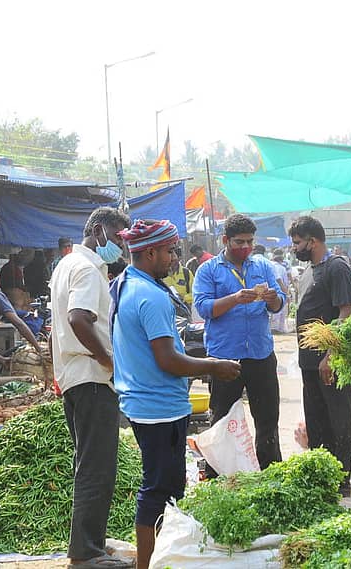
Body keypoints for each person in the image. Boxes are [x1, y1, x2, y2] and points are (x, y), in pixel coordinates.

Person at [111, 219, 240, 569]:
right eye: (169, 251)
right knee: (158, 489)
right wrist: (213, 366)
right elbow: (167, 359)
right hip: (158, 407)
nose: (174, 258)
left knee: (165, 485)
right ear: (150, 252)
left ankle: (160, 557)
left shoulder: (126, 284)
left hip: (146, 401)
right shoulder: (150, 296)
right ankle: (148, 563)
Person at [48, 206, 131, 569]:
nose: (119, 247)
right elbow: (78, 319)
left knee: (90, 463)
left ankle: (89, 543)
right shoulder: (86, 269)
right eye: (116, 238)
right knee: (97, 466)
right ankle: (86, 553)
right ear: (97, 232)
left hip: (76, 376)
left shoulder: (67, 265)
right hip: (91, 377)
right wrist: (109, 360)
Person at [193, 214, 285, 475]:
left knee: (267, 419)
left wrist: (271, 299)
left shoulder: (262, 266)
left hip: (260, 353)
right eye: (239, 242)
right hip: (225, 357)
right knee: (222, 419)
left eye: (249, 242)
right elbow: (203, 308)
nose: (245, 247)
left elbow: (280, 303)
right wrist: (234, 299)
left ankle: (269, 473)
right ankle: (218, 474)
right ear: (225, 240)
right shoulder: (208, 270)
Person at [289, 216, 351, 494]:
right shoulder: (308, 270)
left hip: (330, 362)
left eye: (297, 243)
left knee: (339, 420)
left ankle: (341, 479)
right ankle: (323, 477)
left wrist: (330, 355)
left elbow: (346, 311)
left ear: (313, 241)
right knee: (317, 420)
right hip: (309, 362)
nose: (294, 248)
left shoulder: (336, 268)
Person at [269, 248, 291, 333]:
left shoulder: (268, 264)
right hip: (279, 291)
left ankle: (274, 327)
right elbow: (282, 282)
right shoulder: (282, 268)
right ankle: (278, 328)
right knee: (281, 310)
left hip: (268, 291)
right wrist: (287, 294)